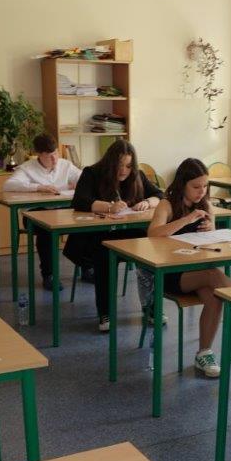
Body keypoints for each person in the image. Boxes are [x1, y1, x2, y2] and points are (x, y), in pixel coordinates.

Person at [147, 159, 231, 377]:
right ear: (182, 184)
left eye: (205, 186)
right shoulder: (167, 204)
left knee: (214, 296)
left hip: (199, 271)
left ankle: (204, 353)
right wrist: (187, 219)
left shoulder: (205, 205)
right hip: (171, 273)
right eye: (196, 186)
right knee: (213, 276)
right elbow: (153, 234)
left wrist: (211, 228)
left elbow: (210, 244)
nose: (202, 191)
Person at [64, 139, 162, 332]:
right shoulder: (92, 173)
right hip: (98, 235)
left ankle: (151, 308)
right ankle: (105, 312)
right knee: (104, 253)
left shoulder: (137, 175)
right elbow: (80, 201)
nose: (124, 171)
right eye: (119, 165)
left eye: (128, 166)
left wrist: (148, 202)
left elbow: (159, 195)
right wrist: (108, 206)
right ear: (110, 163)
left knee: (149, 247)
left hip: (127, 232)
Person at [3, 134, 82, 292]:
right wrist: (38, 187)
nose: (54, 159)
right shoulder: (27, 168)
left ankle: (87, 267)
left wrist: (79, 185)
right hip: (34, 213)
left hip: (61, 211)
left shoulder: (65, 165)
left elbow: (84, 178)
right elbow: (9, 185)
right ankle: (49, 275)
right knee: (47, 229)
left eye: (55, 153)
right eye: (49, 156)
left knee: (84, 222)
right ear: (38, 154)